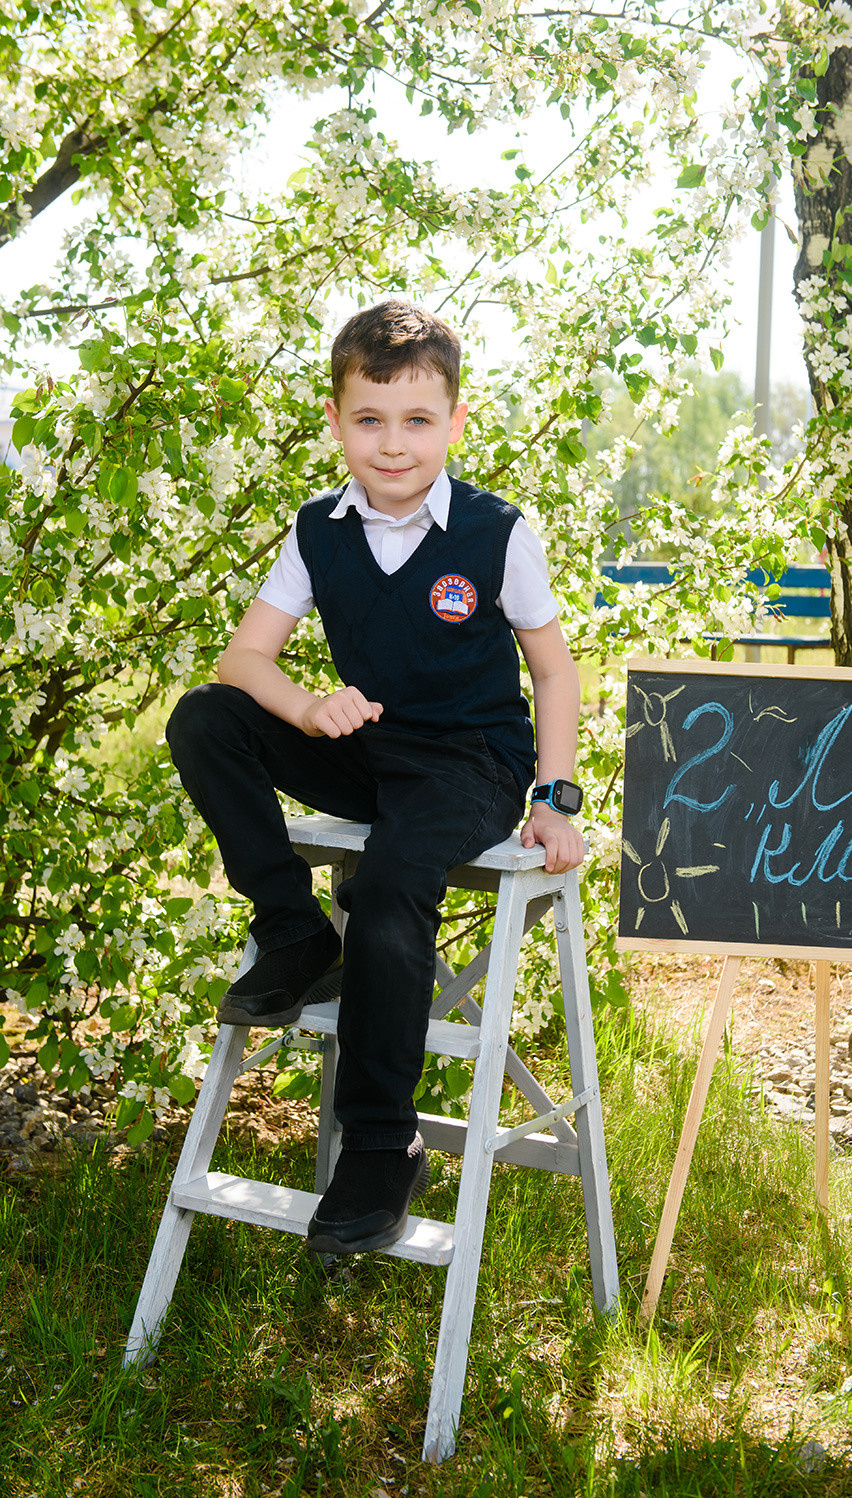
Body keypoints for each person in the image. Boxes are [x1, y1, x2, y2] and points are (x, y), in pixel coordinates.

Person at [166, 299, 585, 1258]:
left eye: (416, 421)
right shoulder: (317, 530)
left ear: (454, 423)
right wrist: (312, 707)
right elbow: (246, 661)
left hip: (470, 763)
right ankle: (294, 929)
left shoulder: (493, 533)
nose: (392, 445)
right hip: (367, 750)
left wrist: (554, 799)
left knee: (394, 885)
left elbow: (553, 671)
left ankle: (380, 1141)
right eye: (370, 419)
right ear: (336, 421)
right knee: (206, 717)